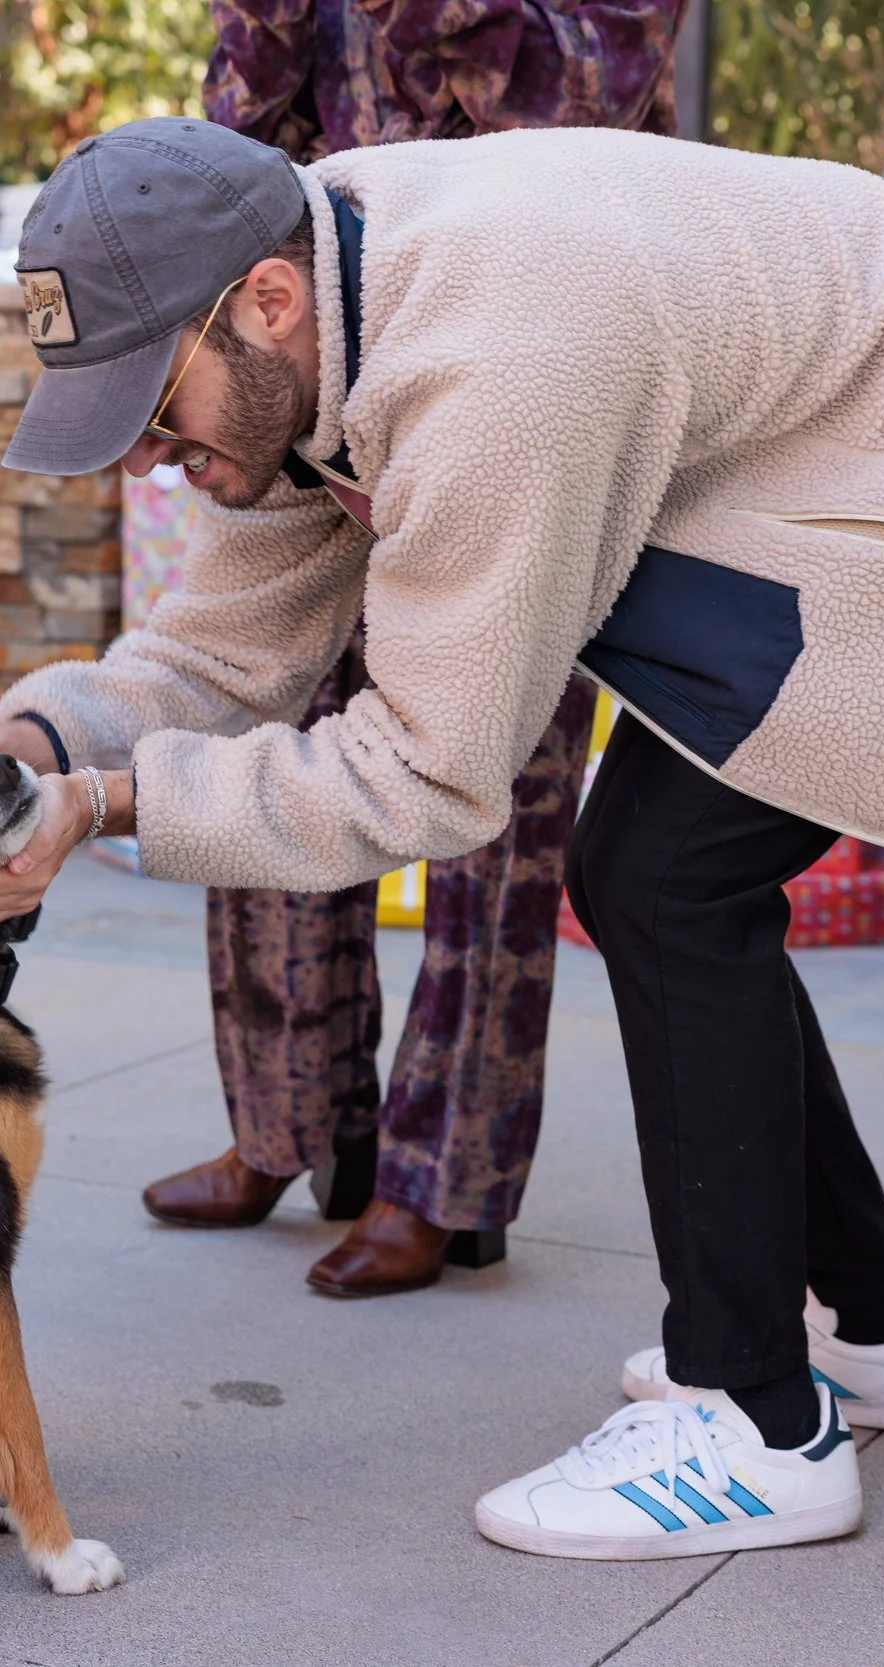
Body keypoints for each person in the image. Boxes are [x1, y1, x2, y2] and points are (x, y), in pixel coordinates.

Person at [0, 117, 884, 1559]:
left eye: (153, 410)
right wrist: (21, 753)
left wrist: (112, 803)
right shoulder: (307, 325)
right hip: (877, 412)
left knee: (662, 875)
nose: (151, 462)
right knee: (665, 876)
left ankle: (758, 1422)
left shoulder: (489, 365)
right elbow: (215, 658)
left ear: (263, 305)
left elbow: (428, 775)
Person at [145, 0, 683, 1299]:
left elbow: (580, 118)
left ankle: (445, 1177)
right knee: (271, 724)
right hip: (319, 384)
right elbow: (238, 152)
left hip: (519, 382)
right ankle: (292, 1123)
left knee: (483, 794)